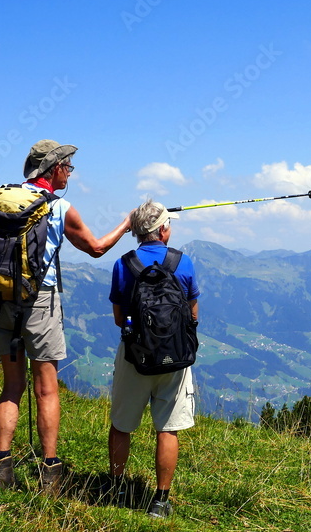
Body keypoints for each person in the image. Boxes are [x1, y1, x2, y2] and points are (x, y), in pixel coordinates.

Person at [0, 139, 131, 492]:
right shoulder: (59, 207)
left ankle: (1, 468)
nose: (70, 172)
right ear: (53, 170)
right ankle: (49, 472)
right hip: (39, 300)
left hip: (0, 297)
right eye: (67, 167)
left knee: (12, 386)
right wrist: (126, 224)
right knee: (46, 389)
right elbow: (96, 248)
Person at [108, 199, 199, 518]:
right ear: (162, 230)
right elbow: (192, 312)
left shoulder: (124, 264)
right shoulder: (183, 262)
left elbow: (120, 317)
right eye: (169, 224)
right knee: (167, 429)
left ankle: (116, 492)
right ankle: (160, 501)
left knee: (121, 426)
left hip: (135, 356)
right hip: (175, 358)